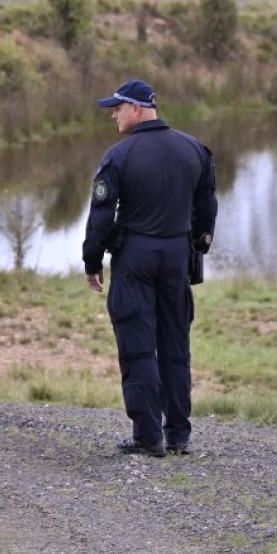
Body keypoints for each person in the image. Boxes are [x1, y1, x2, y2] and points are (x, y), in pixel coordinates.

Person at [83, 79, 217, 458]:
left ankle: (147, 436)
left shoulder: (119, 156)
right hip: (176, 256)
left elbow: (101, 216)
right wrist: (197, 249)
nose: (113, 115)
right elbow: (206, 207)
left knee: (138, 346)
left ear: (137, 110)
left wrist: (92, 261)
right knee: (176, 345)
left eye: (118, 108)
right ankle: (178, 435)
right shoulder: (194, 149)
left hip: (135, 259)